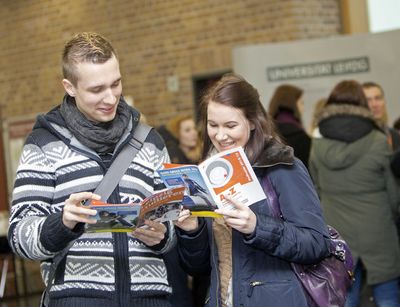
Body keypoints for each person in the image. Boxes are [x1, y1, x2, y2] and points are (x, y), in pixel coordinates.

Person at [7, 32, 175, 307]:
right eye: (97, 89)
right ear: (69, 87)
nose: (110, 97)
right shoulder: (43, 144)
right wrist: (62, 223)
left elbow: (171, 228)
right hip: (77, 300)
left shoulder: (150, 142)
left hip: (151, 298)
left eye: (116, 83)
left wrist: (162, 236)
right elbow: (19, 236)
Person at [174, 73, 331, 307]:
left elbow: (317, 243)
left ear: (252, 122)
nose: (220, 135)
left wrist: (257, 227)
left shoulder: (281, 166)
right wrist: (191, 232)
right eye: (212, 125)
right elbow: (198, 267)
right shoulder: (207, 176)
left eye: (230, 125)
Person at [309, 80, 400, 307]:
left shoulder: (317, 144)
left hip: (337, 231)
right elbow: (393, 195)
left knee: (345, 297)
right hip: (378, 229)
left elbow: (316, 188)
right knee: (387, 295)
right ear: (362, 104)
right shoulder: (379, 140)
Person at [157, 116, 209, 307]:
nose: (193, 133)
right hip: (181, 228)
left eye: (194, 129)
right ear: (177, 135)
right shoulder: (173, 158)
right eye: (186, 130)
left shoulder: (202, 156)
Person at [268, 84, 311, 168]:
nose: (303, 108)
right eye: (301, 103)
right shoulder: (300, 136)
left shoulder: (266, 132)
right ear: (293, 104)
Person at [362, 81, 400, 150]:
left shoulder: (394, 135)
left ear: (384, 101)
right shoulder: (358, 137)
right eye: (368, 100)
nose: (374, 105)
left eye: (378, 98)